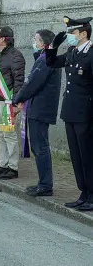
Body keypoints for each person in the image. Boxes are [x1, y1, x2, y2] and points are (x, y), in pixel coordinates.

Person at [46, 16, 93, 211]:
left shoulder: (91, 54)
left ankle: (92, 194)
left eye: (72, 33)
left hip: (86, 113)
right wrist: (52, 47)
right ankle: (83, 191)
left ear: (83, 33)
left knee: (88, 155)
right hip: (70, 112)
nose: (70, 36)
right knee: (76, 155)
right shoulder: (73, 51)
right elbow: (52, 63)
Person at [12, 30, 62, 197]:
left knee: (40, 147)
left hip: (40, 109)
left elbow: (33, 83)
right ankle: (43, 182)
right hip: (38, 108)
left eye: (36, 40)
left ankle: (46, 185)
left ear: (43, 43)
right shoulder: (44, 58)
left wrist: (17, 99)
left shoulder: (46, 59)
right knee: (39, 147)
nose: (33, 41)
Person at [0, 26, 25, 179]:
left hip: (8, 102)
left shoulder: (15, 56)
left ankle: (13, 167)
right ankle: (3, 163)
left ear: (3, 39)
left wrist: (17, 102)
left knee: (9, 135)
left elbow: (19, 81)